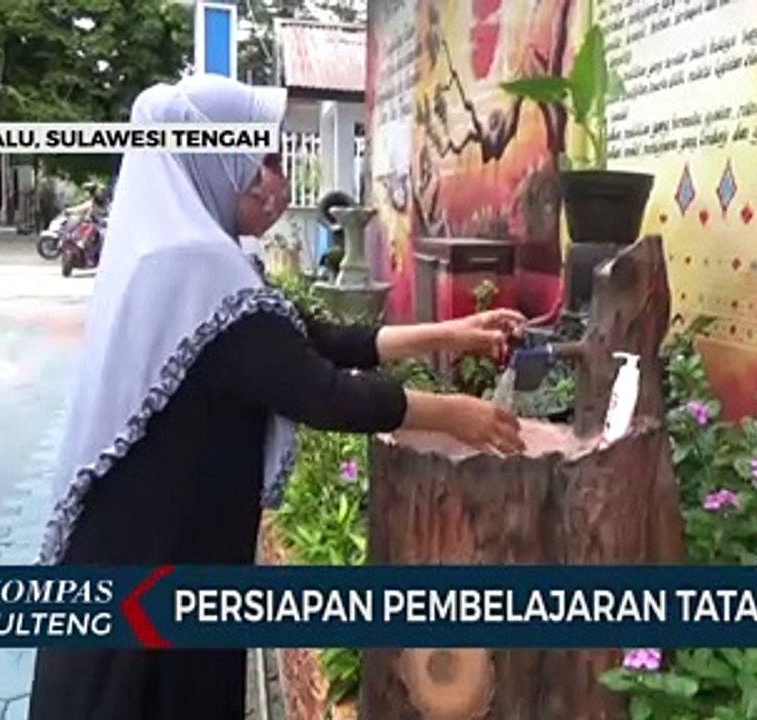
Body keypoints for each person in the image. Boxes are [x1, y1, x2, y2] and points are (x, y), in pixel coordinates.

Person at [29, 74, 527, 720]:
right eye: (262, 159)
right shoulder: (191, 269)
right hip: (154, 552)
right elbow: (319, 392)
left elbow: (317, 340)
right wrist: (456, 415)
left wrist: (451, 333)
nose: (275, 178)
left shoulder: (205, 261)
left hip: (168, 541)